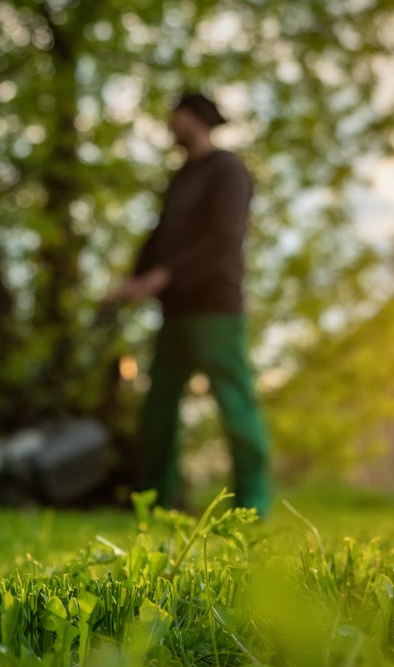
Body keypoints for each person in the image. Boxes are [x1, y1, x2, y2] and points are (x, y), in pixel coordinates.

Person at [104, 91, 272, 517]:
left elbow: (222, 237)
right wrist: (132, 281)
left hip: (215, 307)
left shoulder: (228, 171)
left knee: (235, 402)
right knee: (159, 406)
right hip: (174, 311)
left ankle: (253, 501)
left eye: (174, 115)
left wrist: (168, 275)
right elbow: (160, 235)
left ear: (194, 118)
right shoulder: (181, 178)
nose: (169, 124)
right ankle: (157, 501)